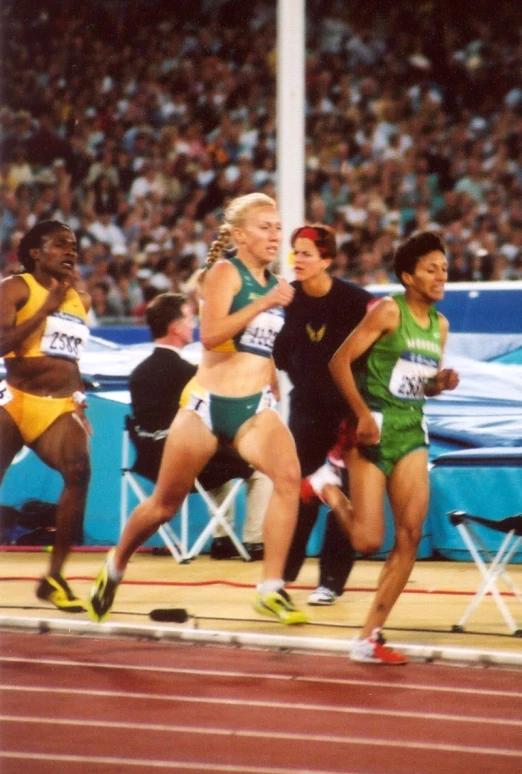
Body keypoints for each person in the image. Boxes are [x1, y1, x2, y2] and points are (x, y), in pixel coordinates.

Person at [88, 192, 308, 625]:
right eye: (265, 226)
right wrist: (266, 302)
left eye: (278, 227)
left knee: (287, 478)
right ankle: (114, 566)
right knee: (164, 505)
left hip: (253, 408)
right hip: (206, 407)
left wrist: (270, 380)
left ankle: (271, 587)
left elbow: (260, 346)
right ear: (240, 236)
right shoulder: (226, 273)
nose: (275, 234)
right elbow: (210, 336)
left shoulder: (274, 282)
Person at [308, 230, 459, 663]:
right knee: (369, 539)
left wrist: (439, 383)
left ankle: (369, 636)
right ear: (409, 277)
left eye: (444, 268)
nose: (440, 275)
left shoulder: (440, 325)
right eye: (431, 268)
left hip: (411, 433)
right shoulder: (389, 312)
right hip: (371, 431)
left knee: (410, 535)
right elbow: (338, 360)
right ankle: (328, 489)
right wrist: (359, 416)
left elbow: (420, 384)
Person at [273, 224, 373, 605]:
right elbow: (273, 349)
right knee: (297, 493)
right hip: (305, 411)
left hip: (346, 413)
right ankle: (280, 576)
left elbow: (383, 330)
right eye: (295, 253)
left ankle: (330, 581)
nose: (297, 260)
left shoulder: (353, 300)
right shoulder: (286, 298)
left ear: (327, 260)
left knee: (341, 496)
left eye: (306, 254)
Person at [127, 290, 269, 558]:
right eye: (190, 319)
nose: (194, 325)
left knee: (219, 463)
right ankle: (254, 540)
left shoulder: (137, 374)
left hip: (148, 463)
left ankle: (222, 538)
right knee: (259, 467)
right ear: (175, 328)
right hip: (184, 463)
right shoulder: (189, 374)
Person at [0, 220, 92, 612]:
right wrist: (45, 310)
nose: (70, 251)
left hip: (57, 405)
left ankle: (54, 577)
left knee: (79, 469)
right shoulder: (16, 287)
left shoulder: (81, 298)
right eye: (60, 245)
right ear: (36, 252)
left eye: (73, 245)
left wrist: (79, 392)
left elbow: (68, 356)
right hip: (14, 400)